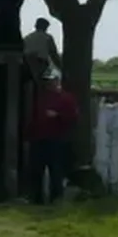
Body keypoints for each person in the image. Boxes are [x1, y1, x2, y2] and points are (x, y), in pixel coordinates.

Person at [26, 68, 79, 204]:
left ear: (57, 81)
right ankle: (36, 198)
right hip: (39, 138)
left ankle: (56, 198)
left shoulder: (66, 98)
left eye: (51, 81)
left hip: (57, 139)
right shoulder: (42, 98)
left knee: (56, 169)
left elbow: (73, 117)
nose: (48, 84)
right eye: (47, 82)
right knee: (36, 169)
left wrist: (58, 116)